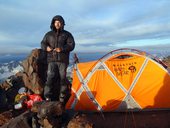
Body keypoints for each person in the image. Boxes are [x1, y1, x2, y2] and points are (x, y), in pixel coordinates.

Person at [41, 15, 75, 104]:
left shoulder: (67, 34)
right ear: (53, 23)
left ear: (62, 23)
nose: (57, 24)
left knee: (63, 79)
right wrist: (46, 48)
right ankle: (47, 97)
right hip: (51, 60)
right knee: (50, 78)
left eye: (59, 22)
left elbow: (71, 45)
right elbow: (43, 43)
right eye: (56, 22)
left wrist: (62, 49)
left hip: (63, 61)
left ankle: (62, 98)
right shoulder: (48, 34)